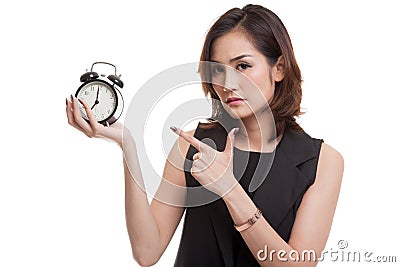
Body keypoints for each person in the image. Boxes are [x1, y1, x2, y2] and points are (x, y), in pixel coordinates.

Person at [66, 4, 344, 266]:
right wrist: (127, 144)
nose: (227, 83)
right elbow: (146, 252)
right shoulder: (191, 146)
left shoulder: (321, 161)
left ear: (279, 68)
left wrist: (228, 188)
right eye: (218, 71)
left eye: (243, 66)